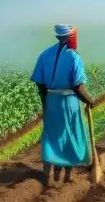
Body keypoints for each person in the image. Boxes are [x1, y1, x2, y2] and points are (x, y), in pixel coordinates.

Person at [30, 24, 94, 187]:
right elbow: (78, 86)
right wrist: (90, 101)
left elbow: (40, 84)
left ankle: (47, 174)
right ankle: (67, 177)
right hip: (68, 101)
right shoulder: (74, 57)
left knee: (51, 135)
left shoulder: (45, 54)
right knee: (69, 136)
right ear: (71, 37)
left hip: (51, 100)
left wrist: (45, 103)